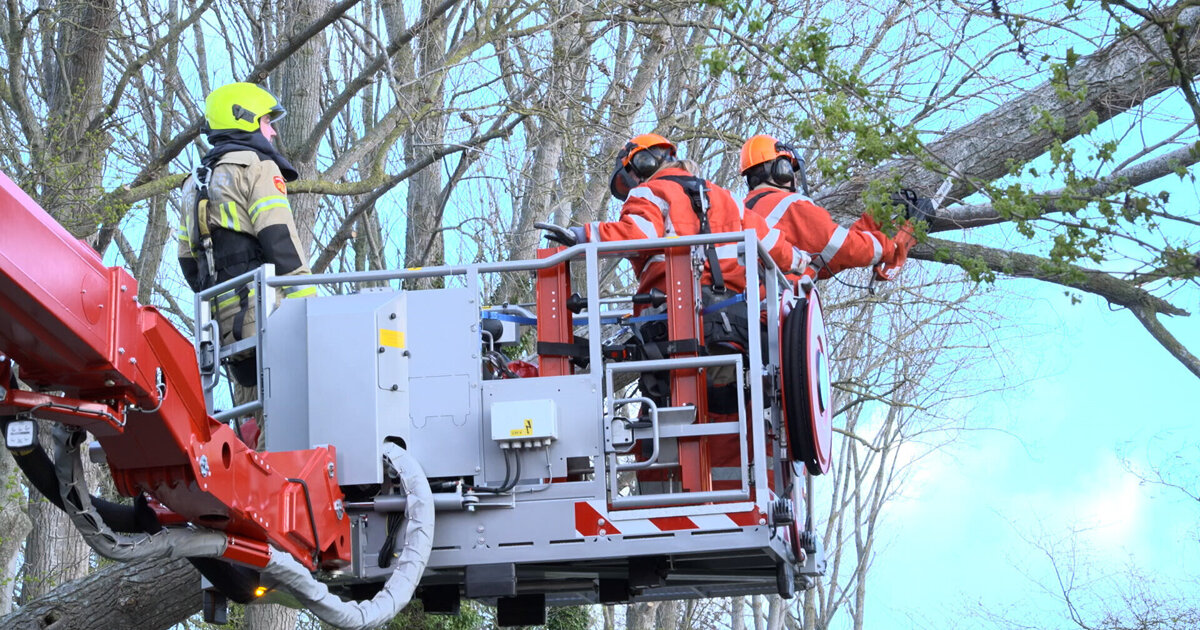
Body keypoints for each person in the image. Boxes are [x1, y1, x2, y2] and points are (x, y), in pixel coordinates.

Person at [176, 82, 315, 394]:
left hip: (223, 333)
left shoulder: (193, 182)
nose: (273, 132)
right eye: (267, 122)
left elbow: (187, 259)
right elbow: (278, 237)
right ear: (244, 118)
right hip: (269, 320)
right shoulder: (257, 167)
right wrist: (309, 308)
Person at [739, 134, 933, 281]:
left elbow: (825, 261)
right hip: (775, 306)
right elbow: (841, 247)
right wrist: (893, 246)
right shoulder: (790, 205)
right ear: (783, 171)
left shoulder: (744, 210)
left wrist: (873, 220)